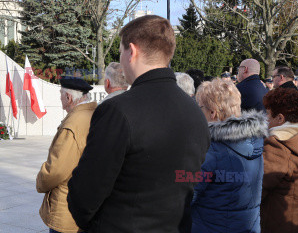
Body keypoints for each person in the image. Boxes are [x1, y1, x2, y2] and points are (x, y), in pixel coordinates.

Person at [67, 15, 210, 232]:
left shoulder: (118, 110)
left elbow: (85, 193)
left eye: (121, 52)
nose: (121, 62)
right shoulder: (195, 112)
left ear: (131, 52)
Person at [192, 78, 268, 233]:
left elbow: (185, 195)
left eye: (199, 107)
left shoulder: (211, 150)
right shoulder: (255, 141)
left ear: (212, 113)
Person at [36, 77, 97, 233]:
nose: (60, 98)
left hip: (67, 207)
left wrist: (40, 180)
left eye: (61, 95)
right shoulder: (94, 114)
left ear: (68, 98)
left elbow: (56, 170)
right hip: (88, 201)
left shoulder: (73, 124)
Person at [261, 88, 298, 233]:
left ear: (280, 118)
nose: (265, 118)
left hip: (278, 223)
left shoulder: (278, 146)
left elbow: (259, 188)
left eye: (267, 113)